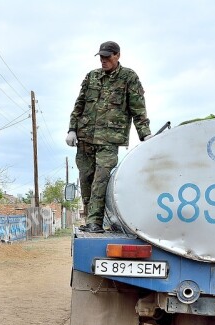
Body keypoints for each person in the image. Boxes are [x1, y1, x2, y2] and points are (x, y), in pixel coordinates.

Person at [66, 41, 153, 233]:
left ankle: (95, 223)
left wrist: (145, 135)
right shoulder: (92, 77)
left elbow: (138, 110)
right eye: (101, 57)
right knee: (86, 179)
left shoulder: (129, 77)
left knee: (101, 179)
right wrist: (72, 129)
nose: (103, 61)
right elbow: (79, 105)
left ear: (118, 56)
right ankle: (91, 220)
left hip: (109, 140)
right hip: (85, 137)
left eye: (107, 57)